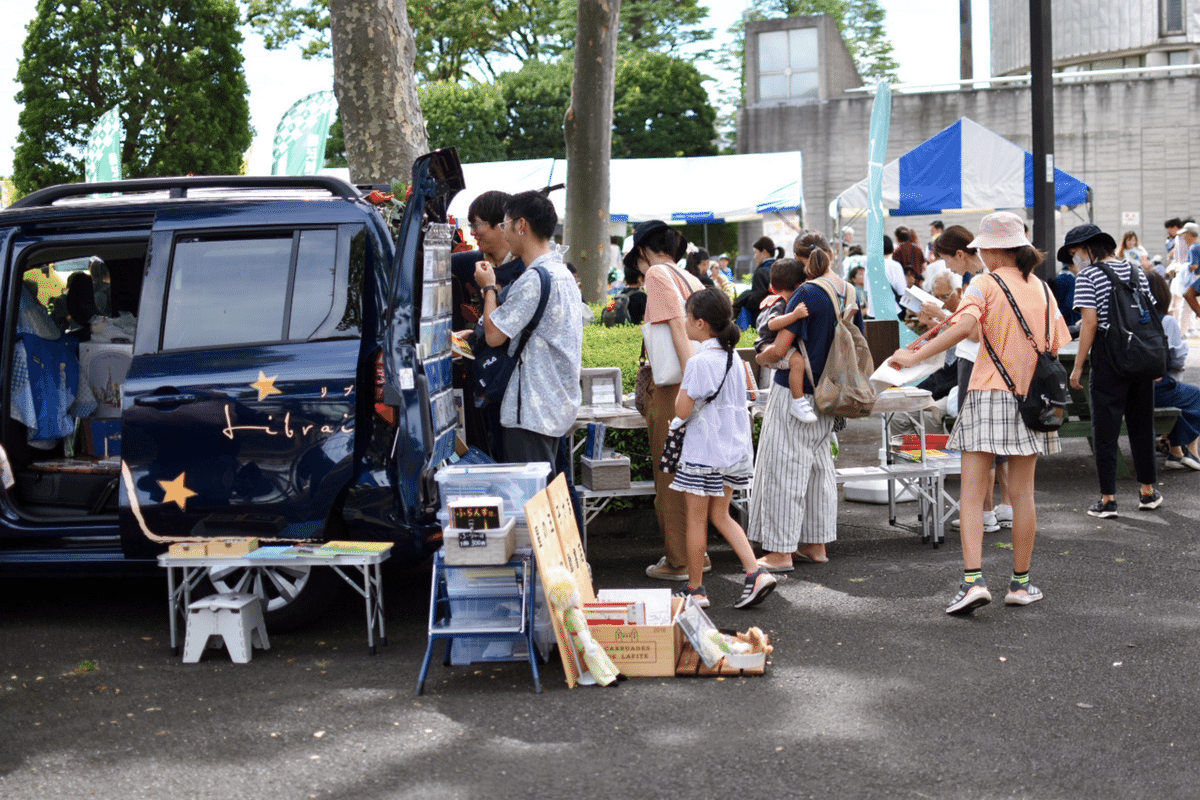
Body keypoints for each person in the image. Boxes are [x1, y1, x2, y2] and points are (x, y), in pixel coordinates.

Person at [888, 211, 1070, 614]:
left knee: (972, 494)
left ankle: (973, 582)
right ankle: (1020, 585)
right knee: (1022, 495)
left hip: (989, 394)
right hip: (1032, 401)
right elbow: (1056, 342)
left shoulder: (984, 283)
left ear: (989, 249)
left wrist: (912, 352)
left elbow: (966, 326)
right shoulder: (1041, 287)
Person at [750, 246, 858, 570]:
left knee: (783, 470)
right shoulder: (847, 292)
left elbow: (779, 348)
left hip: (796, 394)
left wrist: (761, 357)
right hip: (831, 394)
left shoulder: (806, 293)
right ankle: (816, 545)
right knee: (819, 470)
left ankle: (781, 552)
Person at [669, 287, 778, 609]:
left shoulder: (699, 362)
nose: (685, 323)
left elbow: (682, 410)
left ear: (701, 323)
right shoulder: (735, 358)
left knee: (696, 520)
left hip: (704, 452)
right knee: (721, 514)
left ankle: (695, 589)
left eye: (688, 317)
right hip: (734, 450)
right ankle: (755, 570)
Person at [476, 190, 583, 482]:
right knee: (552, 500)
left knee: (534, 503)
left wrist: (489, 288)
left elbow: (494, 335)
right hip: (555, 405)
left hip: (531, 410)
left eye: (505, 224)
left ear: (521, 225)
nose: (504, 232)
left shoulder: (533, 279)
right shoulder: (562, 274)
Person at [1066, 223, 1164, 518]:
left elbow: (1091, 324)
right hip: (1140, 354)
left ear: (1087, 249)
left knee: (1106, 429)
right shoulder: (1135, 270)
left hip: (1109, 358)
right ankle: (1147, 492)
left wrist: (1078, 366)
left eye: (1075, 253)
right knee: (1142, 425)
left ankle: (1108, 499)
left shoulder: (1088, 276)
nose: (1074, 260)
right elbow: (1152, 316)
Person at [626, 220, 706, 581]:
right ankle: (696, 554)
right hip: (695, 382)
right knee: (692, 475)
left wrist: (691, 384)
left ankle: (677, 560)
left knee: (670, 475)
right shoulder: (691, 277)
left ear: (643, 250)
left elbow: (675, 327)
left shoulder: (658, 274)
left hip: (675, 388)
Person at [1145, 272, 1200, 470]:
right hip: (1155, 388)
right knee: (1194, 395)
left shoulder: (1130, 320)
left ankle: (1175, 451)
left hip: (1126, 388)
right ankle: (1191, 452)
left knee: (1180, 394)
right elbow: (1177, 360)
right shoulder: (1166, 322)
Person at [753, 258, 817, 423]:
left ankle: (798, 401)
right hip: (768, 345)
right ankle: (798, 401)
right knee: (798, 362)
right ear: (798, 285)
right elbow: (772, 324)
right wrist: (794, 315)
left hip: (765, 347)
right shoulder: (781, 302)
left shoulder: (773, 298)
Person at [732, 236, 776, 330]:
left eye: (756, 253)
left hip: (761, 320)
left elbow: (757, 300)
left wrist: (745, 299)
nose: (755, 257)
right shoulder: (779, 267)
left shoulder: (761, 272)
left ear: (764, 252)